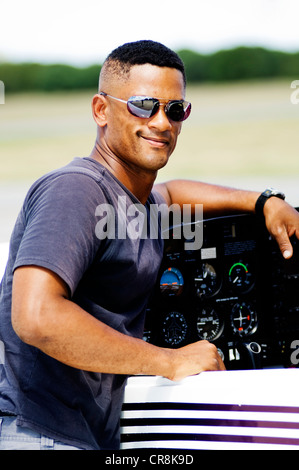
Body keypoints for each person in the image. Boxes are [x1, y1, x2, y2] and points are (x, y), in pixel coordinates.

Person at [0, 40, 299, 451]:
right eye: (144, 105)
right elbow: (35, 315)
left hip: (82, 438)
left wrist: (263, 201)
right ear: (101, 110)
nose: (161, 122)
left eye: (175, 109)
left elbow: (173, 194)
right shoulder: (77, 190)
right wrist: (168, 360)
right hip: (37, 435)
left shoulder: (135, 201)